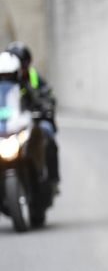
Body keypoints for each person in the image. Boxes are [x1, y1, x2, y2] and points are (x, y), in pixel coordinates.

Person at [6, 41, 59, 189]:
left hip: (34, 120)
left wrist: (46, 105)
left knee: (47, 131)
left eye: (23, 66)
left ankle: (52, 179)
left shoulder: (33, 77)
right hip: (12, 124)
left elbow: (47, 95)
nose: (21, 70)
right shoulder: (4, 81)